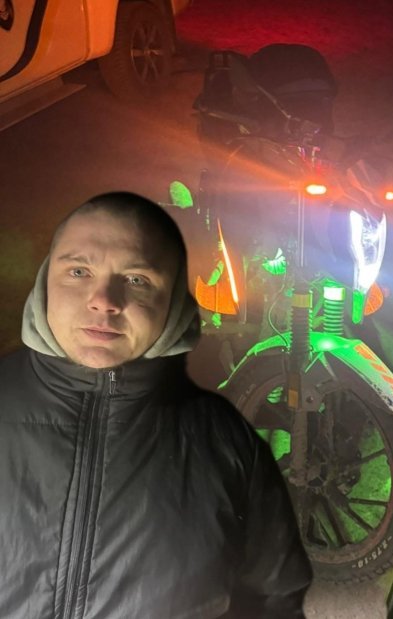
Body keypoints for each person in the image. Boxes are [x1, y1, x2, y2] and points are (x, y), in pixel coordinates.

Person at [0, 192, 313, 618]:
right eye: (78, 271)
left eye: (136, 280)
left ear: (174, 301)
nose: (104, 300)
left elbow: (273, 601)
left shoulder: (226, 443)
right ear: (44, 283)